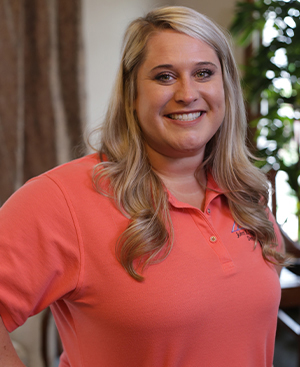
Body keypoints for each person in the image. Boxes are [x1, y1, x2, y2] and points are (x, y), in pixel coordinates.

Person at [0, 6, 286, 367]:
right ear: (132, 94)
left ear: (225, 87)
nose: (187, 93)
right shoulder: (62, 197)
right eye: (164, 77)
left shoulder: (245, 192)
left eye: (203, 73)